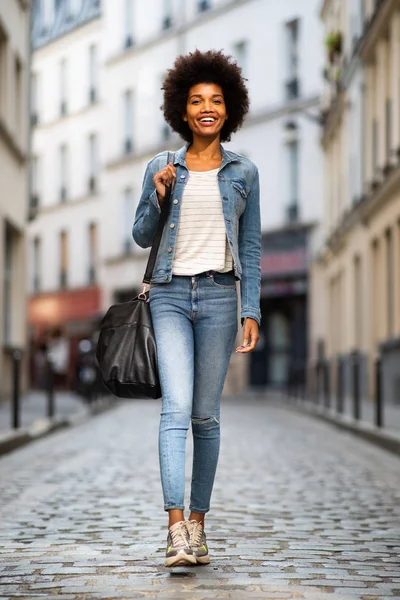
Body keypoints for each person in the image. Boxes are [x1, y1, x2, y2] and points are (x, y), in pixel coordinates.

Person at [133, 49, 261, 567]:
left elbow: (250, 247)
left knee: (206, 417)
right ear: (181, 112)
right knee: (176, 408)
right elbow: (142, 235)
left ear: (228, 110)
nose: (206, 108)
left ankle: (200, 526)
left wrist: (249, 309)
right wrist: (157, 197)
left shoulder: (244, 171)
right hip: (167, 294)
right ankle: (175, 529)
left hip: (217, 299)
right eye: (195, 100)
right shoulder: (160, 167)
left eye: (215, 100)